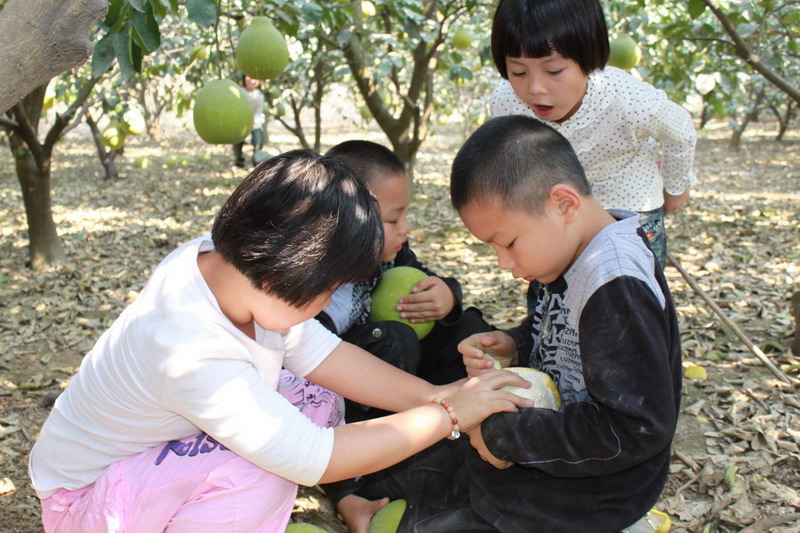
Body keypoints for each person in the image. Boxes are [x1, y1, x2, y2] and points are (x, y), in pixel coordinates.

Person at [27, 149, 532, 533]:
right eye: (328, 289)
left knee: (310, 396)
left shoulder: (226, 265)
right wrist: (449, 418)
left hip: (143, 459)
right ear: (290, 271)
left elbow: (324, 354)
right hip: (88, 502)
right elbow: (314, 457)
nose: (327, 303)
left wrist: (438, 396)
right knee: (265, 470)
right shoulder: (188, 349)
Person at [390, 115, 682, 533]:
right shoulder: (571, 251)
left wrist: (505, 436)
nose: (506, 265)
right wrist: (516, 345)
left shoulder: (615, 285)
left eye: (507, 243)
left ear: (564, 204)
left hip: (595, 494)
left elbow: (632, 428)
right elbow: (565, 328)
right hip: (561, 446)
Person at [315, 140, 495, 531]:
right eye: (394, 219)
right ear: (347, 219)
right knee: (393, 339)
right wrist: (342, 489)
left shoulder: (389, 254)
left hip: (396, 370)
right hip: (344, 399)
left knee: (468, 331)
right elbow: (308, 397)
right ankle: (380, 467)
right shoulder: (312, 290)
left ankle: (485, 414)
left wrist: (446, 295)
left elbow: (420, 282)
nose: (406, 228)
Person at [489, 0, 697, 269]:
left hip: (630, 210)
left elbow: (680, 131)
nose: (535, 88)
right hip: (558, 213)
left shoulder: (630, 101)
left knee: (631, 291)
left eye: (553, 71)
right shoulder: (507, 102)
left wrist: (676, 188)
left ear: (590, 60)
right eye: (518, 72)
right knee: (558, 295)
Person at [233, 74, 266, 168]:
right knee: (237, 140)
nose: (252, 81)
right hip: (240, 122)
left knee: (258, 139)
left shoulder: (259, 96)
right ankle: (239, 160)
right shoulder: (239, 92)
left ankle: (257, 160)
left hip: (254, 122)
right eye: (249, 78)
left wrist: (253, 121)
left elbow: (259, 112)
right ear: (244, 79)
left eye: (255, 78)